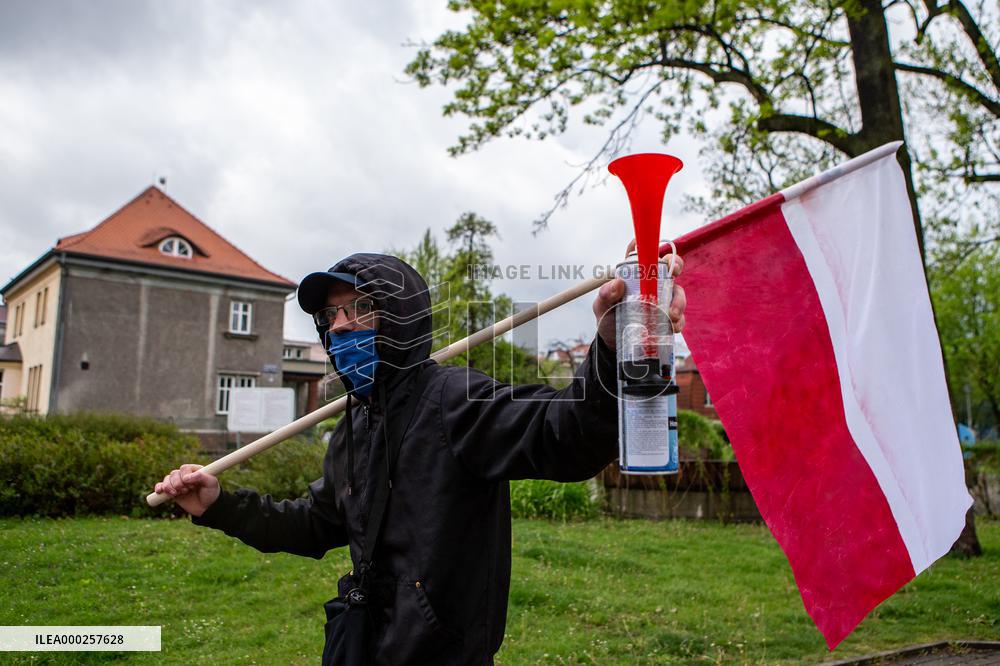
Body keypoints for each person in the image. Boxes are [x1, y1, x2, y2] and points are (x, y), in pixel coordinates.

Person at [154, 245, 686, 664]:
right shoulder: (353, 423)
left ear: (402, 318)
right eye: (331, 315)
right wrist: (218, 504)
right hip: (358, 645)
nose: (340, 326)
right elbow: (315, 525)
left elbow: (566, 436)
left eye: (361, 308)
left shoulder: (458, 401)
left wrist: (613, 343)